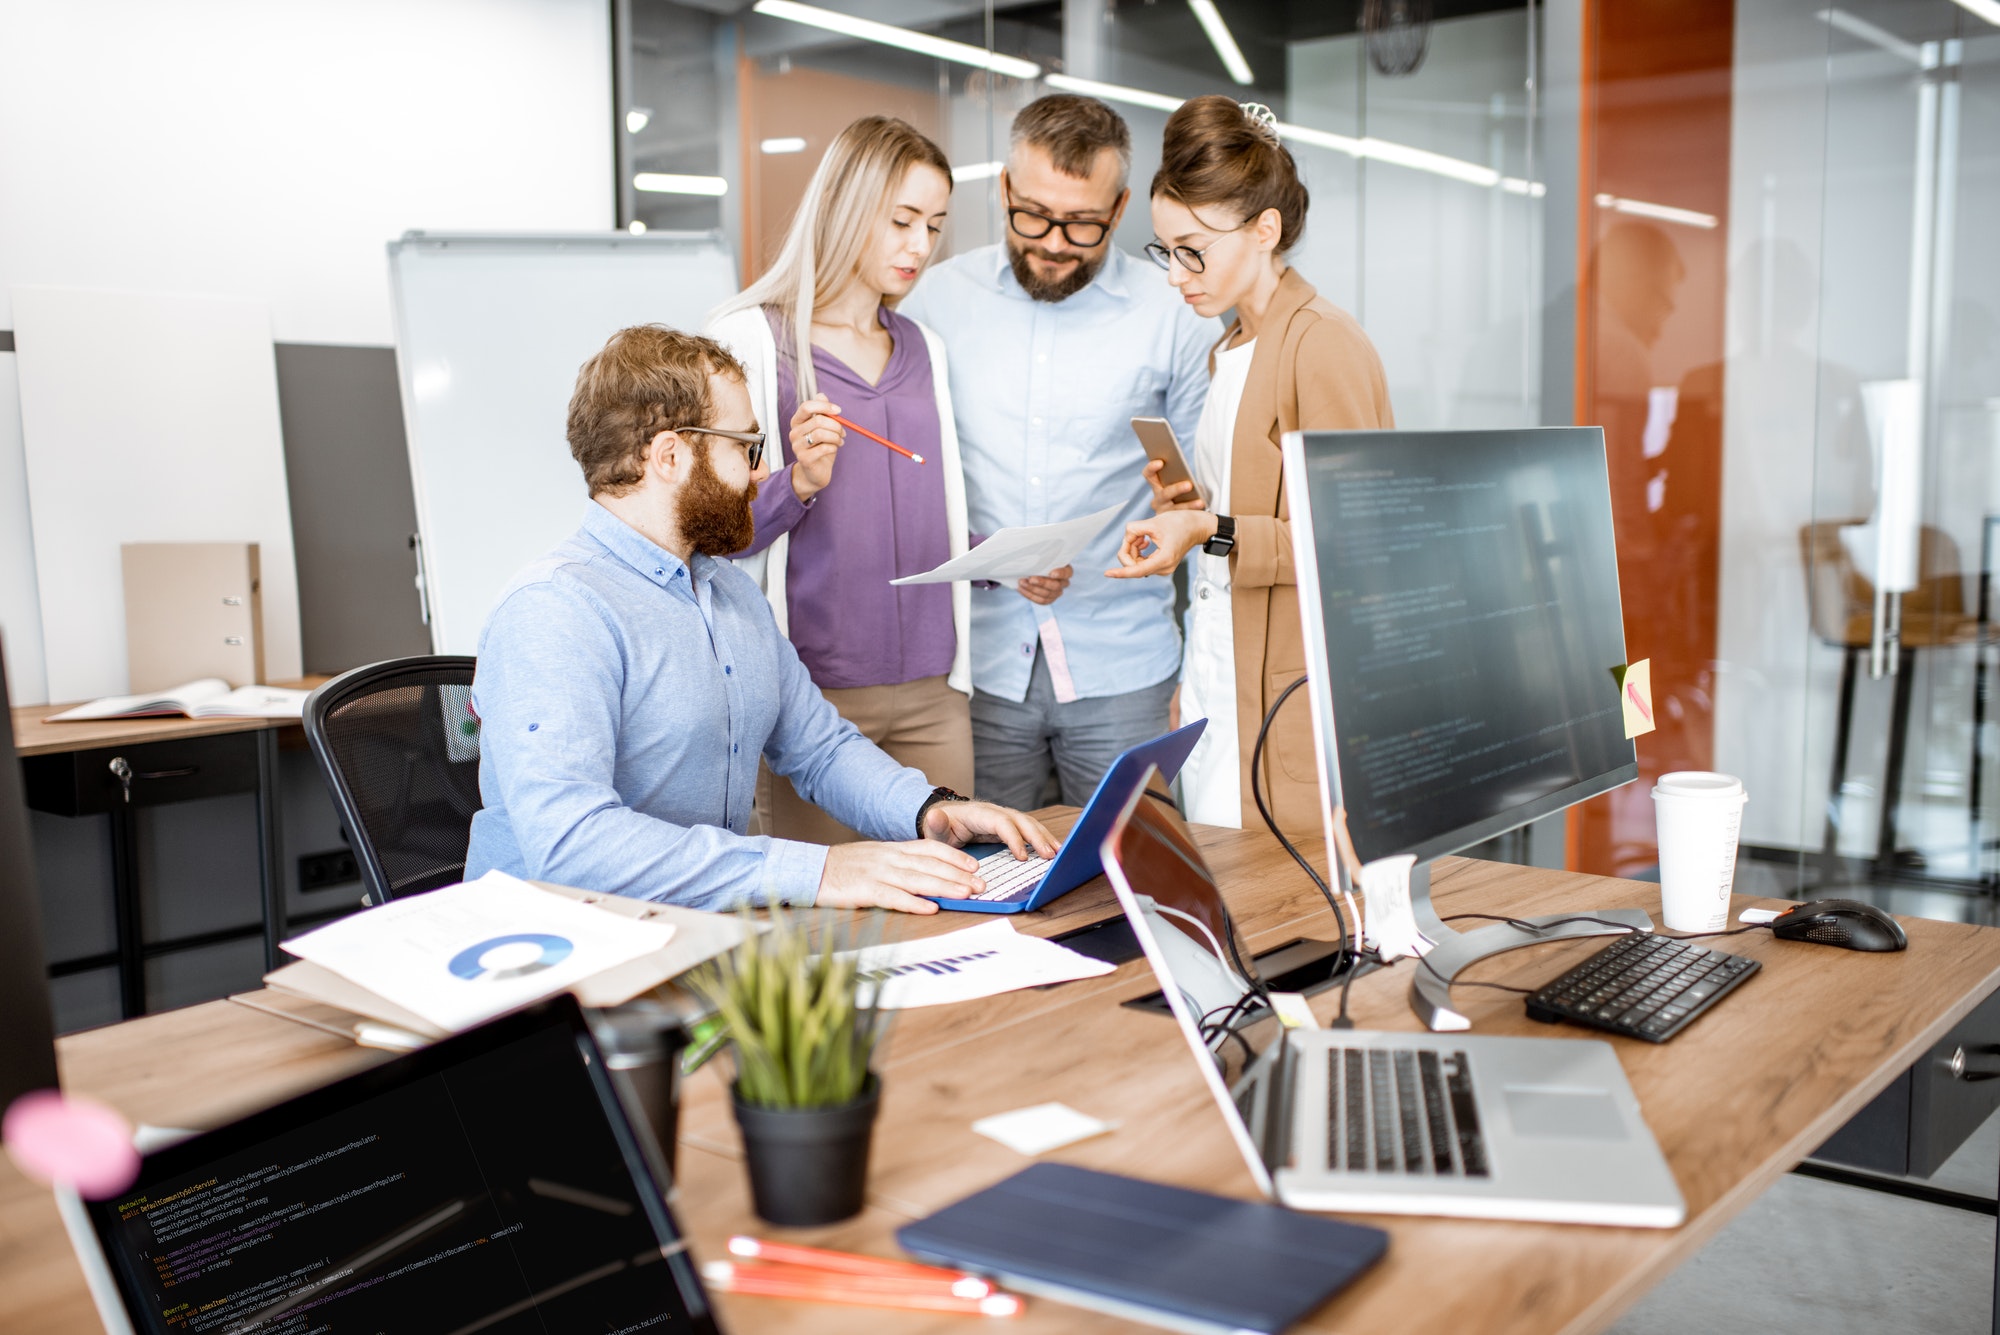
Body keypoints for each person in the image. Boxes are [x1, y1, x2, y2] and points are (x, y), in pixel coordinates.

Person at [466, 324, 1055, 912]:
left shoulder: (729, 594)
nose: (762, 471)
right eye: (745, 447)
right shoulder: (554, 611)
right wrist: (820, 869)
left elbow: (818, 748)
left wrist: (931, 810)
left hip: (689, 932)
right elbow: (572, 845)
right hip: (556, 954)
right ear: (669, 455)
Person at [900, 94, 1217, 811]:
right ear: (1005, 189)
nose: (1052, 242)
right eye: (1033, 214)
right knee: (987, 886)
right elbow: (906, 486)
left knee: (1140, 887)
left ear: (1122, 205)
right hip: (974, 671)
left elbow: (1206, 512)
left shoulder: (1173, 317)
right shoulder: (936, 304)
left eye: (1082, 224)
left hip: (1128, 671)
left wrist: (1200, 677)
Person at [1108, 98, 1393, 838]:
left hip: (1289, 693)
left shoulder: (1323, 345)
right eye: (1166, 249)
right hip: (1221, 665)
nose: (1176, 275)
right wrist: (1191, 509)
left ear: (1265, 230)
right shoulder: (1230, 346)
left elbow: (1356, 545)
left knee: (1284, 915)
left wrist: (1210, 527)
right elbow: (1244, 513)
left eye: (1193, 249)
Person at [707, 117, 974, 846]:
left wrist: (999, 558)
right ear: (848, 208)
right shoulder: (752, 341)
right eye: (902, 221)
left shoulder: (927, 349)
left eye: (935, 225)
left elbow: (921, 513)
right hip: (814, 698)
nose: (921, 246)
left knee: (953, 909)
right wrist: (799, 479)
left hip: (934, 692)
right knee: (833, 936)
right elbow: (715, 534)